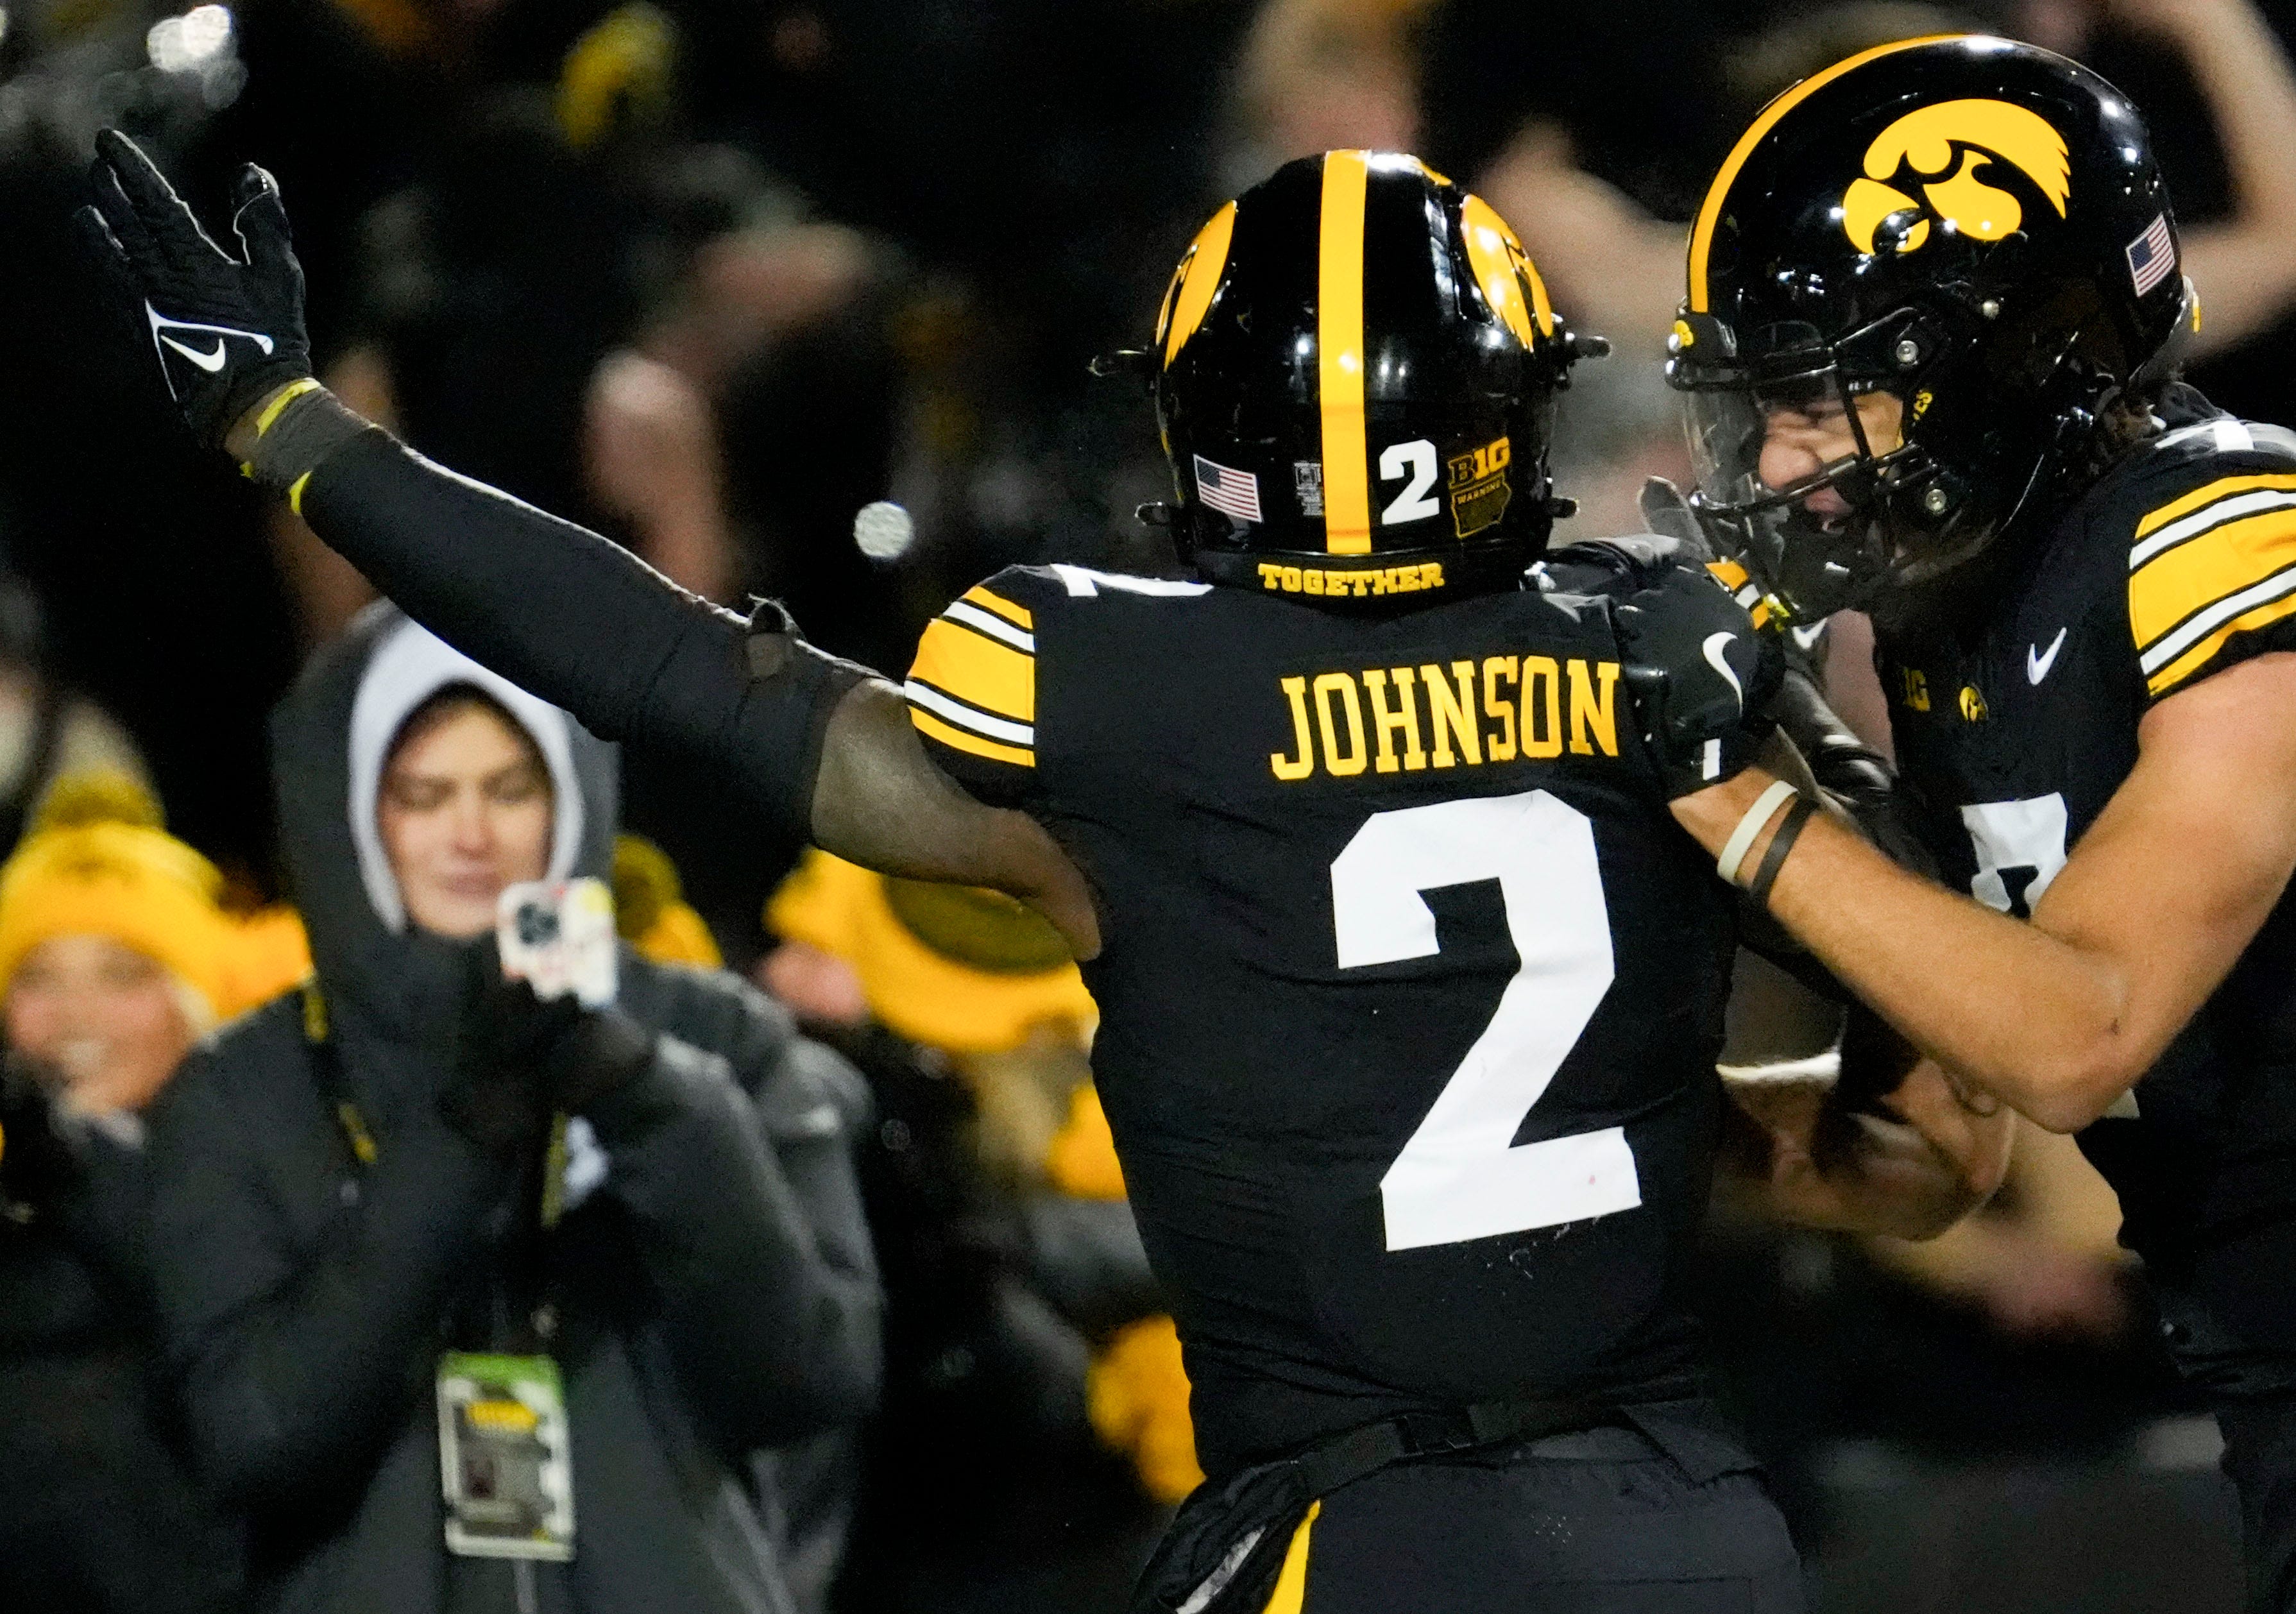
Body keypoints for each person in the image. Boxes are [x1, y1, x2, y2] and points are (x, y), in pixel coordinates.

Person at [81, 138, 2014, 1612]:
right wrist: (1801, 747)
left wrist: (294, 431)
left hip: (1356, 1529)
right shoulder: (1655, 661)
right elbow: (1933, 1131)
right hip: (1690, 1524)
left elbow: (679, 664)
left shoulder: (1115, 715)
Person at [1638, 31, 2296, 1611]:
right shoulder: (1954, 624)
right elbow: (1936, 1150)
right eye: (1760, 407)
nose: (1781, 460)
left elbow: (2082, 1032)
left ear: (2013, 357)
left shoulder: (2232, 532)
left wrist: (1732, 799)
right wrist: (1624, 1137)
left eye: (1821, 398)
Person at [133, 605, 878, 1614]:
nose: (471, 834)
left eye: (509, 788)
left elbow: (803, 1381)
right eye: (423, 795)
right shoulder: (243, 1088)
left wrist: (646, 1099)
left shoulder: (715, 1040)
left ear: (568, 802)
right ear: (353, 814)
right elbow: (253, 1440)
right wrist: (459, 1143)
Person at [761, 849, 1178, 1613]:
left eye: (815, 953)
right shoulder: (870, 1116)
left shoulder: (1079, 1111)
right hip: (943, 1542)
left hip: (1039, 1543)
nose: (782, 972)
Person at [0, 771, 268, 1614]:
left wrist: (77, 1164)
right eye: (38, 977)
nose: (77, 1015)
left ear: (197, 1002)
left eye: (124, 975)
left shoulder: (262, 1173)